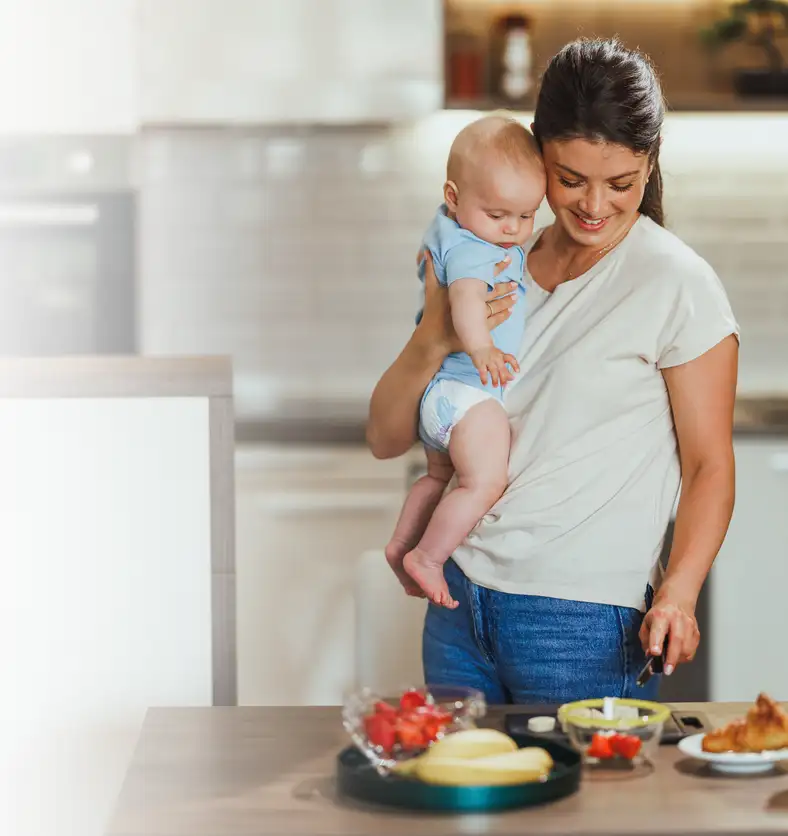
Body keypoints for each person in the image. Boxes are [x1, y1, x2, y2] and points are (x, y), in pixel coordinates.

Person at [367, 38, 739, 704]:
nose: (594, 204)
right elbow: (386, 437)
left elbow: (709, 465)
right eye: (570, 179)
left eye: (621, 184)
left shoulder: (676, 283)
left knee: (591, 809)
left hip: (582, 625)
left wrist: (679, 592)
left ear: (649, 165)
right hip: (457, 606)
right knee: (467, 800)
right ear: (538, 155)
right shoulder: (484, 266)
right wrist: (434, 338)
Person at [386, 115, 546, 610]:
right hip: (467, 393)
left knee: (438, 479)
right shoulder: (475, 251)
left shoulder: (447, 228)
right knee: (485, 481)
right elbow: (467, 301)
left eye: (525, 216)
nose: (512, 230)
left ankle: (401, 545)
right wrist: (482, 349)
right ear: (453, 195)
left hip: (437, 398)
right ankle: (429, 558)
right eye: (498, 213)